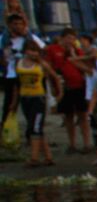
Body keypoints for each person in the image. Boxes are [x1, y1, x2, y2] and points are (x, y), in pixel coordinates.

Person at [15, 38, 62, 166]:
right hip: (25, 98)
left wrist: (58, 94)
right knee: (36, 128)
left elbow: (55, 77)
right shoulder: (19, 63)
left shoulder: (41, 64)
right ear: (25, 51)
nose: (33, 53)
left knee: (35, 128)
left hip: (38, 98)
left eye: (35, 51)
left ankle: (34, 158)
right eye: (31, 50)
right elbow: (17, 83)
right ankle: (48, 157)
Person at [47, 29, 92, 154]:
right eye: (68, 37)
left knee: (82, 114)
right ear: (62, 38)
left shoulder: (77, 51)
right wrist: (53, 86)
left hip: (79, 86)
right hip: (64, 86)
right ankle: (72, 143)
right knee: (68, 116)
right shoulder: (53, 49)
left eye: (72, 38)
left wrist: (74, 54)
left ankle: (87, 143)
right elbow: (49, 67)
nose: (70, 40)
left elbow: (85, 65)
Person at [3, 11, 47, 127]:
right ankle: (6, 130)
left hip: (29, 74)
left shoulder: (30, 38)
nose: (17, 26)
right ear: (9, 25)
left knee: (31, 106)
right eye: (14, 24)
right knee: (9, 104)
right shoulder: (3, 39)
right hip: (11, 75)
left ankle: (32, 132)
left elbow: (43, 50)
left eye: (20, 23)